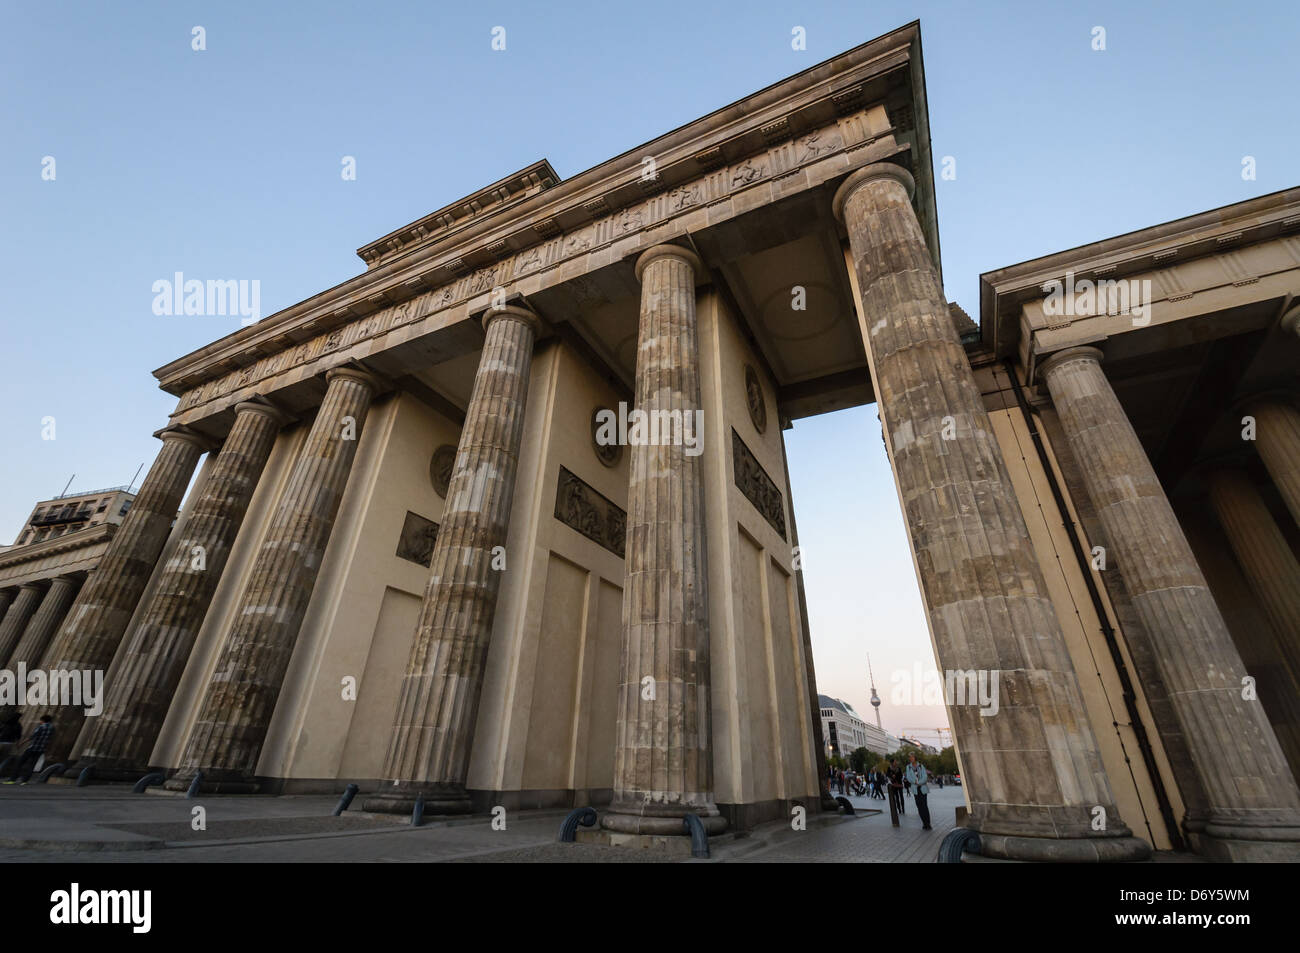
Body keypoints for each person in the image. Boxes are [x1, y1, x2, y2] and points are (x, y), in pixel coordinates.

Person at [5, 715, 54, 784]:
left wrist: (22, 743)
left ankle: (12, 779)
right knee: (32, 765)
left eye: (41, 720)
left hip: (33, 747)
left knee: (20, 762)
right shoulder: (52, 728)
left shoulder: (41, 727)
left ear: (43, 720)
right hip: (40, 749)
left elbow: (32, 736)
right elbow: (49, 739)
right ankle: (24, 780)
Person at [905, 752, 932, 830]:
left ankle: (928, 823)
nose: (910, 758)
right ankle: (924, 823)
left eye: (912, 757)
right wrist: (915, 782)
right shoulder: (908, 767)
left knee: (924, 806)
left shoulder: (921, 766)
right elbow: (909, 777)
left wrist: (919, 783)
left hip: (922, 788)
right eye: (909, 757)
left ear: (915, 758)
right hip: (915, 789)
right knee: (919, 806)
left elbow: (925, 776)